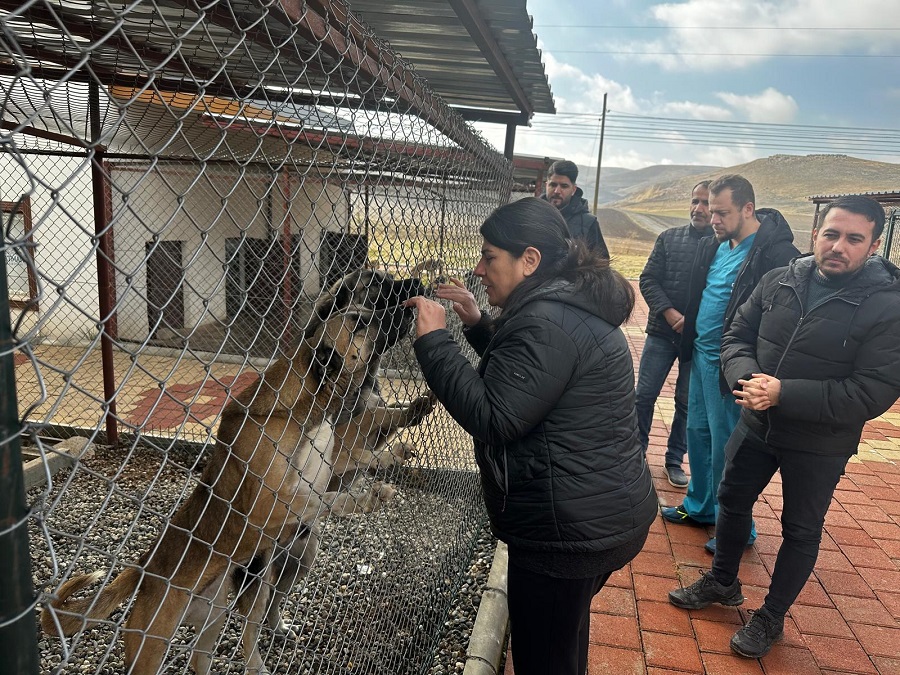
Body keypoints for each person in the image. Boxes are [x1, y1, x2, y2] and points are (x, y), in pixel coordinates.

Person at [404, 197, 657, 675]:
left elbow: (495, 416)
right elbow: (530, 380)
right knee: (562, 643)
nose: (478, 268)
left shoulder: (544, 321)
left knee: (544, 660)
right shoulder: (563, 306)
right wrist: (478, 325)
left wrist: (434, 341)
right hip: (599, 514)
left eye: (490, 257)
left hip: (564, 535)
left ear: (531, 260)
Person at [668, 195, 900, 658]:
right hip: (757, 422)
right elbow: (736, 335)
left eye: (854, 238)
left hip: (820, 442)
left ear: (873, 246)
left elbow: (872, 391)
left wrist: (783, 393)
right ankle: (723, 582)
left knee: (800, 529)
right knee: (731, 501)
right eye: (831, 234)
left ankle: (771, 616)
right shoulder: (781, 278)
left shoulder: (888, 308)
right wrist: (748, 381)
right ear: (815, 232)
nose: (839, 246)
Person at [660, 175, 799, 554]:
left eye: (721, 211)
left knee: (730, 447)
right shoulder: (714, 245)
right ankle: (700, 506)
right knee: (698, 434)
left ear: (748, 209)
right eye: (708, 208)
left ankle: (737, 527)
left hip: (734, 366)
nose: (711, 217)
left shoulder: (776, 253)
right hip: (702, 356)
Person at [636, 180, 713, 488]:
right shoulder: (668, 238)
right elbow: (648, 279)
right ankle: (636, 452)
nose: (699, 208)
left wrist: (693, 322)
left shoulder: (723, 248)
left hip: (697, 340)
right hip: (660, 332)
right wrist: (671, 314)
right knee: (643, 395)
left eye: (706, 203)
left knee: (686, 401)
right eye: (695, 201)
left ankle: (673, 460)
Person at [541, 159, 610, 257]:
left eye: (564, 186)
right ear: (546, 185)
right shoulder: (531, 215)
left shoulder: (588, 223)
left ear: (573, 190)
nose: (557, 191)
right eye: (553, 185)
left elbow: (602, 262)